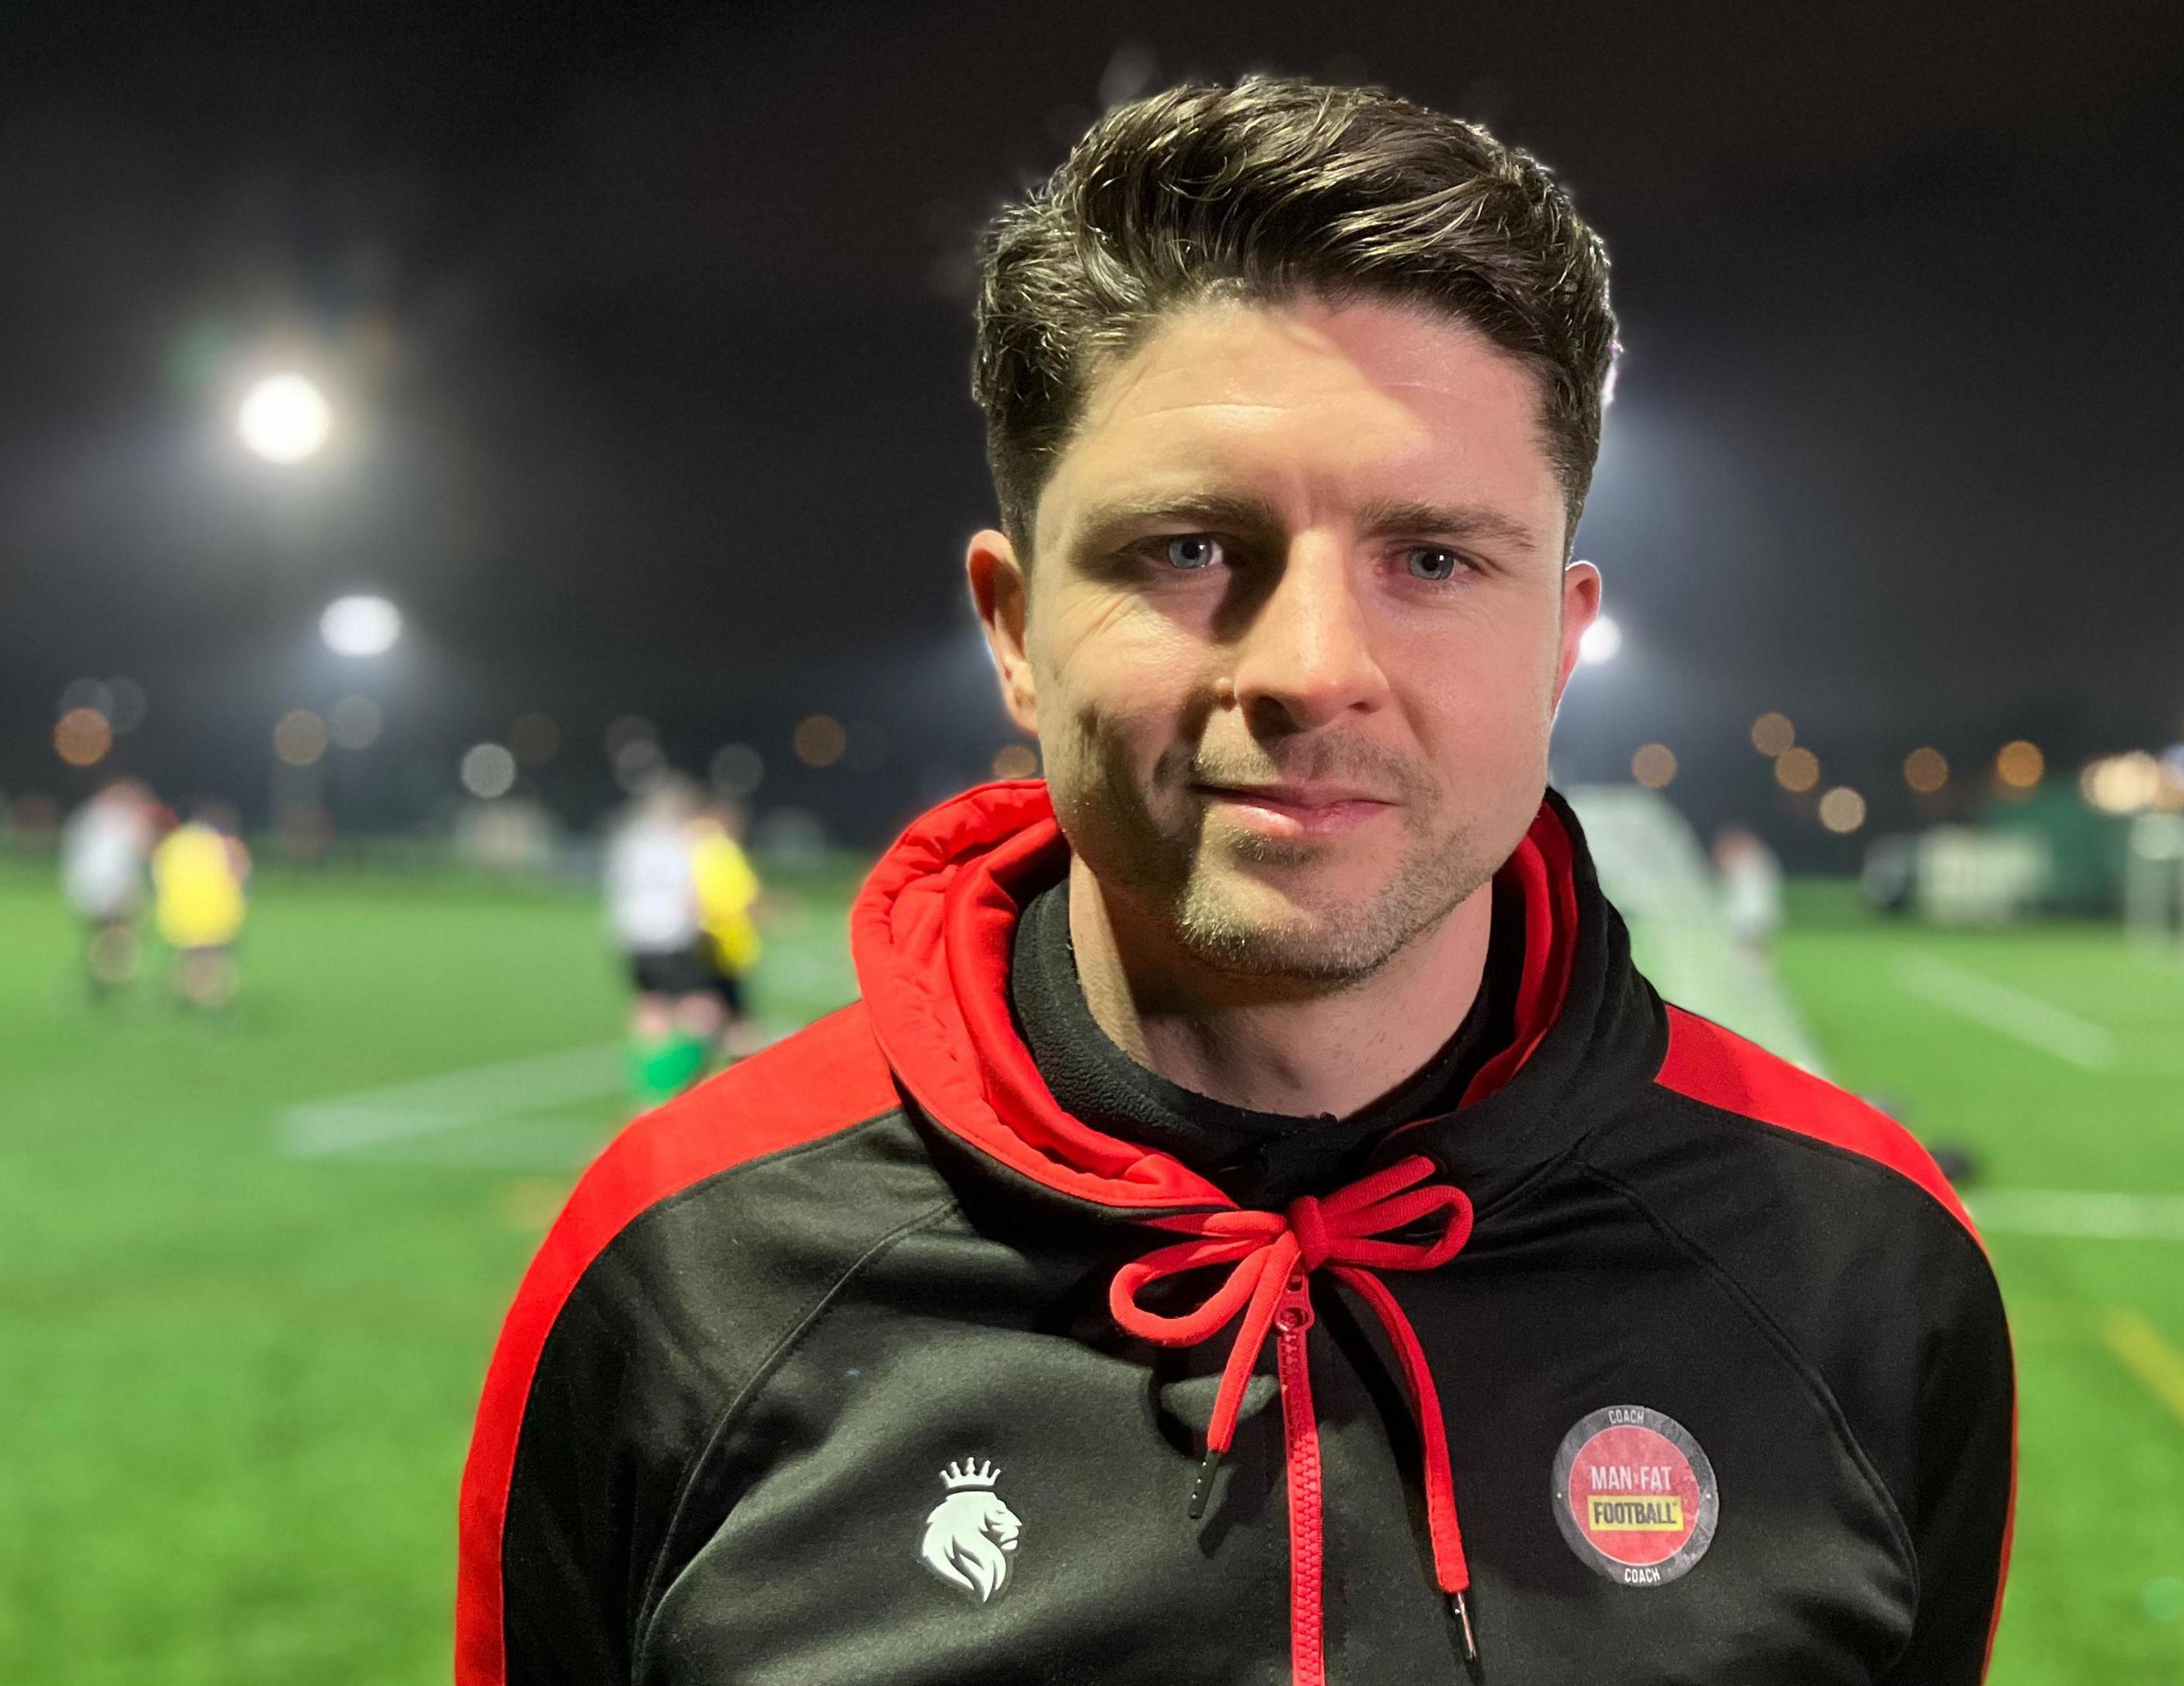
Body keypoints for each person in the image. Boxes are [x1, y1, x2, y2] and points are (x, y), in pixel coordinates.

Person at [462, 79, 2011, 1686]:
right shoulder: (680, 1271)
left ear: (1560, 641)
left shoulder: (1869, 1268)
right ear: (1013, 631)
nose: (1312, 669)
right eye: (1190, 548)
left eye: (1432, 560)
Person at [603, 780, 716, 1105]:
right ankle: (682, 1087)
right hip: (670, 936)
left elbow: (617, 885)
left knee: (651, 1008)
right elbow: (691, 893)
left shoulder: (631, 840)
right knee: (704, 1010)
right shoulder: (682, 841)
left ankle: (648, 1092)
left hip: (633, 937)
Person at [685, 795, 770, 1060]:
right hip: (726, 946)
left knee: (704, 1011)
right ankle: (744, 1074)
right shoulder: (724, 852)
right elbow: (746, 897)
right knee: (733, 1020)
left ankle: (689, 1075)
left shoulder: (696, 850)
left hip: (699, 943)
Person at [61, 778, 154, 1001]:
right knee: (118, 936)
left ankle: (102, 981)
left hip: (90, 889)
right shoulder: (120, 820)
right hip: (110, 889)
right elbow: (138, 852)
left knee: (109, 936)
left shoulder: (87, 816)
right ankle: (111, 981)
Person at [151, 801, 248, 1012]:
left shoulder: (174, 843)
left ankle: (187, 997)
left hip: (179, 913)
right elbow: (240, 877)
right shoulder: (226, 845)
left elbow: (158, 877)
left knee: (188, 957)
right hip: (216, 912)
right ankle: (214, 1001)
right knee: (214, 959)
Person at [1713, 822, 1784, 975]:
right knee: (1750, 939)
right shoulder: (1758, 856)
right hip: (1752, 905)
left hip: (1750, 906)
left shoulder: (1751, 858)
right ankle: (1755, 967)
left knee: (1749, 939)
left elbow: (1723, 864)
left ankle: (1752, 969)